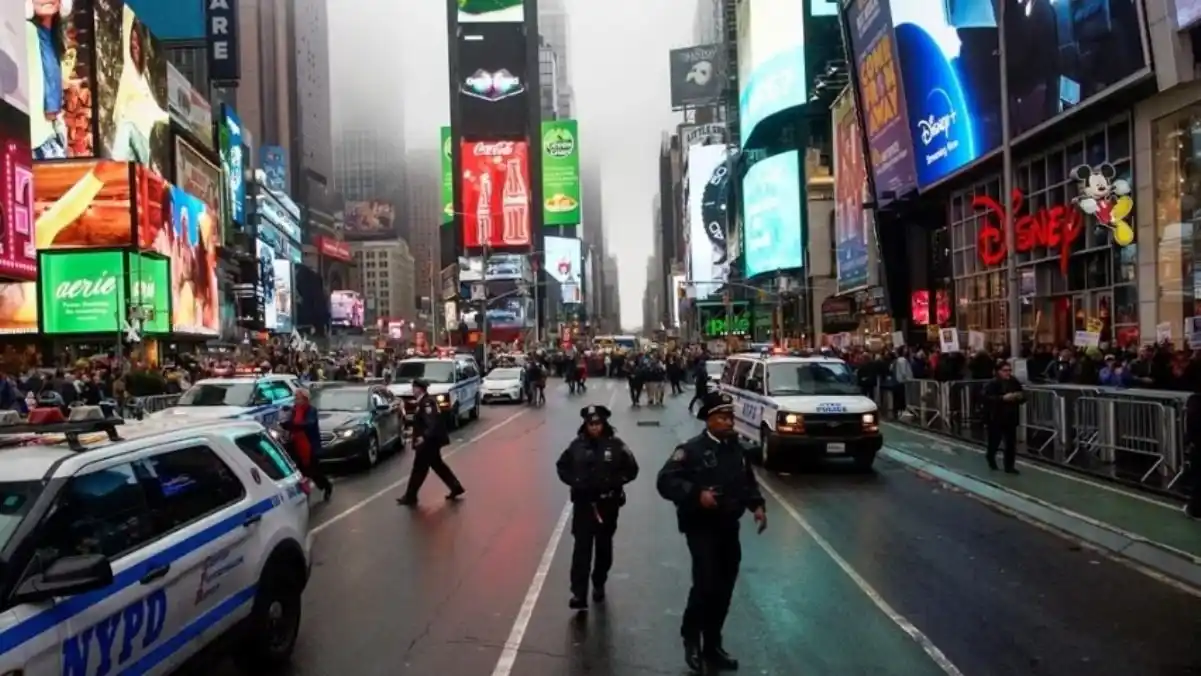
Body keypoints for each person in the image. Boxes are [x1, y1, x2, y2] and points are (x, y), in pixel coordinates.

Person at [657, 391, 767, 672]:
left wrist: (756, 506)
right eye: (723, 417)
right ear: (709, 420)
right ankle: (691, 639)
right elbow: (666, 481)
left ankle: (713, 644)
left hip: (728, 527)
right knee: (705, 584)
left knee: (724, 588)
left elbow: (747, 482)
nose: (729, 422)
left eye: (730, 417)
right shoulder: (691, 450)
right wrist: (696, 494)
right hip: (701, 527)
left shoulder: (735, 450)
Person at [555, 405, 639, 610]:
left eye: (598, 424)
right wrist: (575, 481)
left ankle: (599, 581)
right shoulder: (576, 445)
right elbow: (562, 466)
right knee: (581, 549)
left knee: (603, 547)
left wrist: (615, 481)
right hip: (584, 504)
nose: (594, 427)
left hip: (607, 504)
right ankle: (579, 594)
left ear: (604, 424)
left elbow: (632, 469)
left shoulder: (616, 445)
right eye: (591, 424)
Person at [397, 378, 465, 506]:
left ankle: (410, 496)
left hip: (428, 443)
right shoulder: (425, 401)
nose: (413, 390)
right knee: (438, 466)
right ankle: (455, 487)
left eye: (414, 388)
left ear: (419, 389)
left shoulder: (427, 403)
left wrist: (423, 437)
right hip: (430, 442)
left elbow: (432, 423)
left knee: (419, 469)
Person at [279, 388, 333, 501]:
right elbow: (288, 422)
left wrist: (293, 425)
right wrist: (286, 424)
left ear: (305, 399)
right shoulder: (294, 410)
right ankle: (304, 496)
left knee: (314, 472)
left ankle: (326, 486)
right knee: (300, 473)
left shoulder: (311, 410)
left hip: (309, 445)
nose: (295, 400)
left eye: (298, 398)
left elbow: (308, 423)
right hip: (296, 444)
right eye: (295, 398)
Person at [982, 360, 1024, 473]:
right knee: (994, 441)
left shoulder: (1014, 381)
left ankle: (1009, 466)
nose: (1008, 373)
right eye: (1005, 371)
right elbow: (986, 398)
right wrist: (1002, 398)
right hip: (996, 417)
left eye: (1009, 370)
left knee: (1010, 444)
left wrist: (1019, 397)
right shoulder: (992, 383)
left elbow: (1022, 394)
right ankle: (991, 457)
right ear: (999, 371)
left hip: (1011, 416)